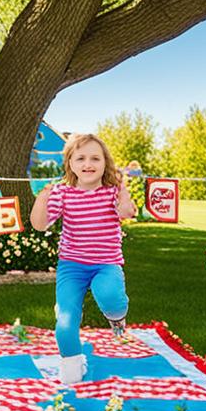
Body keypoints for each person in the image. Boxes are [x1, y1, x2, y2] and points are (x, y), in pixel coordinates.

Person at [30, 133, 137, 384]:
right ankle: (72, 367)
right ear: (70, 163)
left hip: (105, 264)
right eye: (81, 158)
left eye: (95, 158)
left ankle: (117, 318)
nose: (88, 164)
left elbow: (126, 212)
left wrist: (123, 195)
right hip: (72, 266)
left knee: (110, 297)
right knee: (65, 322)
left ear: (105, 163)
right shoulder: (62, 193)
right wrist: (42, 200)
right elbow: (39, 225)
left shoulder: (111, 191)